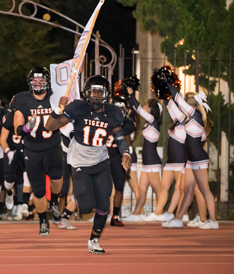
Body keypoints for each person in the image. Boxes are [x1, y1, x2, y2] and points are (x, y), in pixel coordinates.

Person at [45, 75, 131, 255]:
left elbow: (119, 137)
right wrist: (57, 110)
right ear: (86, 93)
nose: (97, 96)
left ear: (106, 94)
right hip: (79, 161)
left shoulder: (113, 112)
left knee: (104, 206)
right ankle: (80, 195)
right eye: (94, 92)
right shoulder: (77, 108)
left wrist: (125, 153)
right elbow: (49, 126)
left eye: (101, 93)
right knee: (85, 208)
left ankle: (93, 240)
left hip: (100, 161)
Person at [12, 66, 64, 236]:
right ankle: (43, 219)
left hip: (52, 145)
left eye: (42, 80)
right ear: (30, 83)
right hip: (32, 150)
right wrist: (27, 128)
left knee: (57, 175)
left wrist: (64, 107)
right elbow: (17, 130)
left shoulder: (55, 97)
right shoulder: (22, 100)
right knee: (38, 190)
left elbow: (66, 119)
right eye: (35, 80)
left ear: (47, 82)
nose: (39, 83)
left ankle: (55, 202)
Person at [162, 86, 218, 229]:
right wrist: (164, 92)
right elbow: (173, 107)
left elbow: (178, 100)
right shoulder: (188, 118)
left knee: (204, 189)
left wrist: (169, 83)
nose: (182, 107)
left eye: (185, 104)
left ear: (190, 105)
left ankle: (213, 221)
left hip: (198, 159)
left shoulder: (196, 116)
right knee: (187, 189)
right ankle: (178, 219)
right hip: (190, 161)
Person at [143, 98, 186, 221]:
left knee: (180, 189)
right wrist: (165, 95)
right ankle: (158, 213)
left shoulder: (185, 121)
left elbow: (173, 108)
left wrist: (169, 96)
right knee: (164, 188)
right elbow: (171, 108)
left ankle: (181, 214)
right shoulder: (177, 122)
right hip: (170, 162)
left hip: (180, 161)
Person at [124, 90, 162, 221]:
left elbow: (139, 109)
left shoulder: (153, 120)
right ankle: (137, 214)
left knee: (158, 189)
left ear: (152, 109)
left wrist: (131, 94)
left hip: (152, 162)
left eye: (147, 105)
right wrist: (128, 98)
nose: (144, 107)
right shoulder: (150, 122)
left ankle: (159, 213)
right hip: (147, 162)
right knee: (142, 190)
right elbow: (137, 108)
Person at [105, 96, 135, 226]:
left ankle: (115, 216)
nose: (120, 112)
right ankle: (102, 213)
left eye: (122, 109)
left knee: (119, 188)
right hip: (104, 157)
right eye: (118, 109)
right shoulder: (104, 119)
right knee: (102, 188)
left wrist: (127, 157)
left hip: (118, 158)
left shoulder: (127, 123)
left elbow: (126, 143)